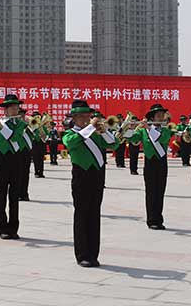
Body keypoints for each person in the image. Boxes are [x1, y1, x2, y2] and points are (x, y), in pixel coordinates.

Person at [63, 100, 119, 267]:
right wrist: (91, 128)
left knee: (94, 214)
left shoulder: (94, 133)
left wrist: (104, 130)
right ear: (74, 117)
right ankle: (82, 254)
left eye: (88, 116)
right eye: (82, 116)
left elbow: (113, 143)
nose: (86, 119)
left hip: (97, 176)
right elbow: (71, 143)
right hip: (81, 176)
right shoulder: (70, 133)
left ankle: (93, 253)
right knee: (82, 214)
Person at [0, 94, 28, 239]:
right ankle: (3, 226)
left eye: (17, 107)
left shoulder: (21, 124)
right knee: (1, 194)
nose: (16, 109)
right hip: (1, 161)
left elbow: (14, 137)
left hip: (16, 160)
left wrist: (0, 125)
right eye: (13, 107)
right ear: (6, 110)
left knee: (14, 196)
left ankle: (13, 227)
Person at [124, 104, 174, 230]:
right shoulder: (142, 131)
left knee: (160, 191)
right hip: (150, 163)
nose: (161, 117)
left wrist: (148, 128)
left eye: (162, 115)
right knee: (151, 192)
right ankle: (151, 220)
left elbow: (160, 139)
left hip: (162, 162)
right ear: (152, 117)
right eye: (158, 115)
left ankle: (159, 218)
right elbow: (130, 138)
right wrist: (130, 128)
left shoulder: (166, 130)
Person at [18, 108, 35, 201]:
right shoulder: (16, 126)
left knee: (25, 173)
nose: (22, 116)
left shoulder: (29, 126)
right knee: (17, 173)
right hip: (17, 151)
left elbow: (38, 135)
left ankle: (24, 193)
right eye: (20, 114)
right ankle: (18, 193)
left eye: (23, 115)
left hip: (26, 151)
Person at [30, 111, 47, 178]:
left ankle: (41, 172)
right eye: (35, 117)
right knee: (35, 159)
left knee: (41, 159)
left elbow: (46, 134)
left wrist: (43, 135)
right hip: (34, 143)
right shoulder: (31, 126)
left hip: (41, 143)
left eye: (37, 117)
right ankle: (36, 172)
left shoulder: (43, 126)